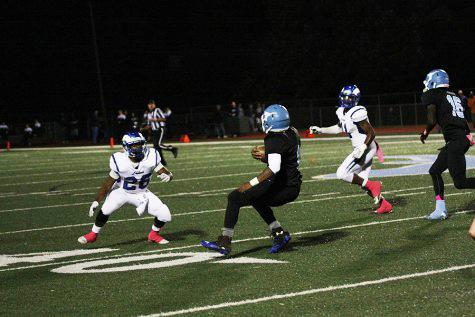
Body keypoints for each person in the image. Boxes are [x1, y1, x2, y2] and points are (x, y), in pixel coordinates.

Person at [201, 104, 301, 254]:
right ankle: (279, 234)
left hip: (284, 186)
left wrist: (250, 183)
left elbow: (274, 168)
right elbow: (286, 154)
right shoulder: (292, 131)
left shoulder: (274, 139)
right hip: (291, 184)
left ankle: (225, 241)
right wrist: (268, 155)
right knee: (256, 198)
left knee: (235, 197)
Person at [309, 85, 393, 214]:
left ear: (356, 99)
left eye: (350, 97)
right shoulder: (341, 111)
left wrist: (363, 147)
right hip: (362, 148)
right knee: (363, 182)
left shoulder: (357, 112)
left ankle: (375, 185)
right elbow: (338, 128)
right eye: (344, 97)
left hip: (366, 147)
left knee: (341, 173)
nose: (346, 99)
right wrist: (321, 130)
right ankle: (385, 205)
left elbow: (371, 132)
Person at [78, 132, 174, 245]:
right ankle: (93, 234)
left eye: (140, 144)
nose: (138, 147)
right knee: (106, 210)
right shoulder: (120, 160)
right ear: (126, 147)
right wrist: (96, 201)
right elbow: (108, 184)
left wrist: (169, 176)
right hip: (122, 192)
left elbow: (164, 172)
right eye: (134, 145)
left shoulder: (151, 156)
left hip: (142, 194)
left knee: (165, 214)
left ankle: (153, 235)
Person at [419, 69, 475, 220]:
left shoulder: (432, 94)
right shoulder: (454, 95)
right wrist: (468, 133)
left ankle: (441, 210)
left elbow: (431, 120)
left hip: (455, 141)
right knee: (435, 171)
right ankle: (440, 210)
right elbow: (461, 117)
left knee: (460, 183)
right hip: (458, 139)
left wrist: (425, 132)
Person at [146, 100, 178, 166]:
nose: (150, 105)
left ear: (154, 104)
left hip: (160, 128)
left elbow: (164, 119)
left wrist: (155, 120)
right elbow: (149, 125)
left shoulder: (157, 110)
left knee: (159, 145)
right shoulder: (149, 114)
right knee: (156, 147)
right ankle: (162, 162)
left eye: (152, 104)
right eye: (149, 104)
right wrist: (142, 129)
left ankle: (173, 149)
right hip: (155, 131)